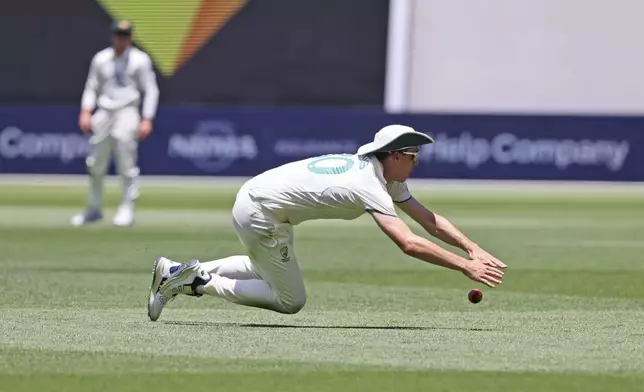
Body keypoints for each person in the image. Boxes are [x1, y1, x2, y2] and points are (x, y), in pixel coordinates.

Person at [147, 125, 507, 321]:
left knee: (263, 269)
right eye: (414, 157)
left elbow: (427, 219)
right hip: (261, 211)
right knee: (290, 301)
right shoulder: (369, 183)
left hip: (259, 202)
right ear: (395, 156)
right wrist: (464, 266)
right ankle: (198, 281)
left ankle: (174, 271)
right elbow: (408, 242)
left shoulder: (383, 174)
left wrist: (472, 248)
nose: (417, 163)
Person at [71, 20, 159, 227]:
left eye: (126, 35)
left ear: (130, 37)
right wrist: (86, 110)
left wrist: (147, 117)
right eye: (119, 34)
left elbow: (151, 90)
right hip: (104, 112)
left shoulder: (139, 60)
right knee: (95, 164)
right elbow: (92, 86)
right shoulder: (101, 59)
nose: (122, 39)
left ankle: (126, 209)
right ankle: (93, 209)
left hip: (127, 111)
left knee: (126, 163)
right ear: (112, 36)